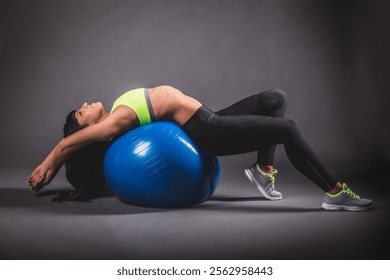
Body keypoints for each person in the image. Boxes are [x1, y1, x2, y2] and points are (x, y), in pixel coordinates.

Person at [28, 85, 373, 211]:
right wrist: (53, 158)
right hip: (206, 131)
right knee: (287, 128)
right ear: (87, 127)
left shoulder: (117, 111)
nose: (86, 103)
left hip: (208, 115)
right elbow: (67, 145)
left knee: (274, 99)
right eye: (81, 111)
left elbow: (71, 142)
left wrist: (57, 155)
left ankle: (263, 170)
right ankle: (334, 192)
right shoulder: (114, 123)